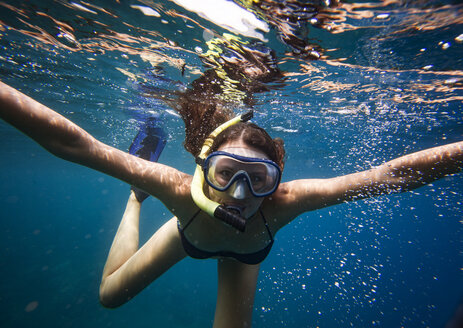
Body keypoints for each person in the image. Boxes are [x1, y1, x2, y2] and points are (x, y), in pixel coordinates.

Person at [1, 79, 462, 327]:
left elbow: (390, 177)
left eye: (258, 178)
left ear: (275, 179)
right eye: (227, 174)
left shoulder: (287, 201)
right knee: (108, 298)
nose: (241, 193)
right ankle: (134, 201)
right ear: (205, 170)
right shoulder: (181, 190)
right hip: (190, 236)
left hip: (246, 255)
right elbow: (77, 146)